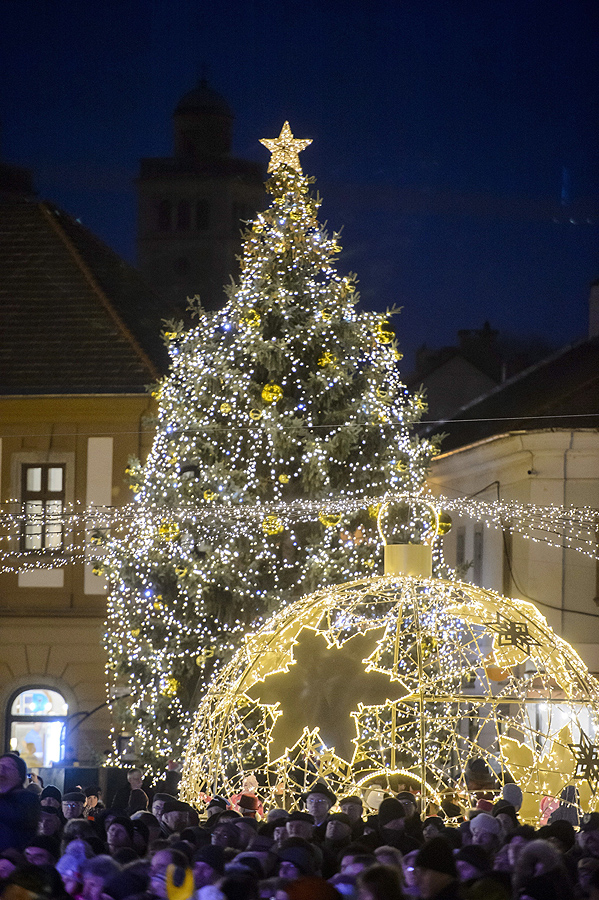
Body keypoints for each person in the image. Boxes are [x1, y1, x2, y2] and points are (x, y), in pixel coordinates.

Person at [0, 752, 40, 851]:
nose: (1, 770)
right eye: (0, 766)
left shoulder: (29, 798)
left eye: (8, 767)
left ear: (20, 776)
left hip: (13, 862)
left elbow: (14, 816)